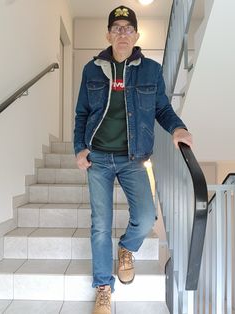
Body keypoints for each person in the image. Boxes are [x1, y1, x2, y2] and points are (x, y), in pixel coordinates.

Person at [74, 5, 192, 314]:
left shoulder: (150, 70)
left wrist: (177, 128)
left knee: (146, 215)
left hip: (133, 157)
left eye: (128, 29)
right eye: (116, 28)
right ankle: (103, 288)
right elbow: (82, 113)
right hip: (97, 157)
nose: (122, 34)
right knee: (100, 224)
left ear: (136, 35)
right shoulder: (92, 68)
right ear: (108, 35)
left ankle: (127, 247)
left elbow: (162, 109)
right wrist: (79, 148)